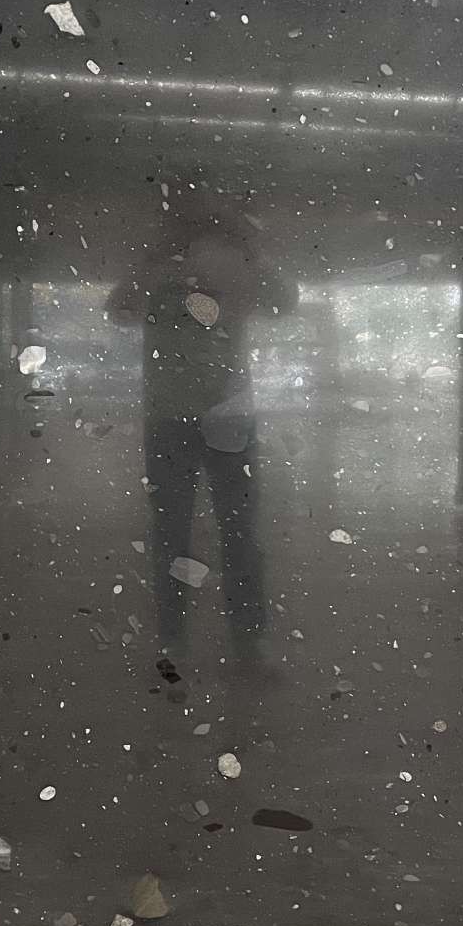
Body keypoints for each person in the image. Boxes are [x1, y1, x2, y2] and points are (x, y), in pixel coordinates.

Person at [109, 201, 296, 668]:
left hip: (201, 417)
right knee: (210, 533)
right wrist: (161, 261)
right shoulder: (165, 264)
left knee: (214, 533)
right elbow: (119, 308)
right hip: (200, 418)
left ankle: (212, 643)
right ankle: (213, 642)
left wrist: (247, 252)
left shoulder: (222, 261)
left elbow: (284, 300)